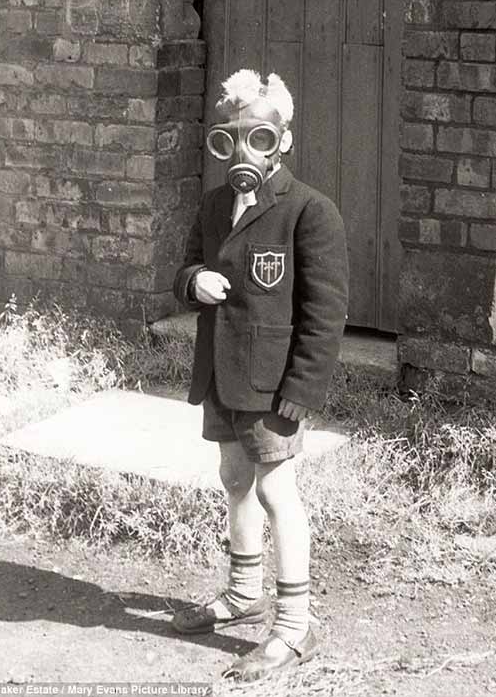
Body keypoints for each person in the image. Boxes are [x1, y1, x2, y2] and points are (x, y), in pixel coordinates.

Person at [170, 69, 349, 683]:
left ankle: (295, 626)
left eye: (260, 140)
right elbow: (184, 266)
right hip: (223, 373)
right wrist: (194, 281)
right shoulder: (216, 204)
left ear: (284, 142)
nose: (243, 153)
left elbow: (325, 317)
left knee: (277, 491)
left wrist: (300, 394)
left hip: (273, 384)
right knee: (233, 477)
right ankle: (243, 592)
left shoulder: (309, 212)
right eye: (230, 140)